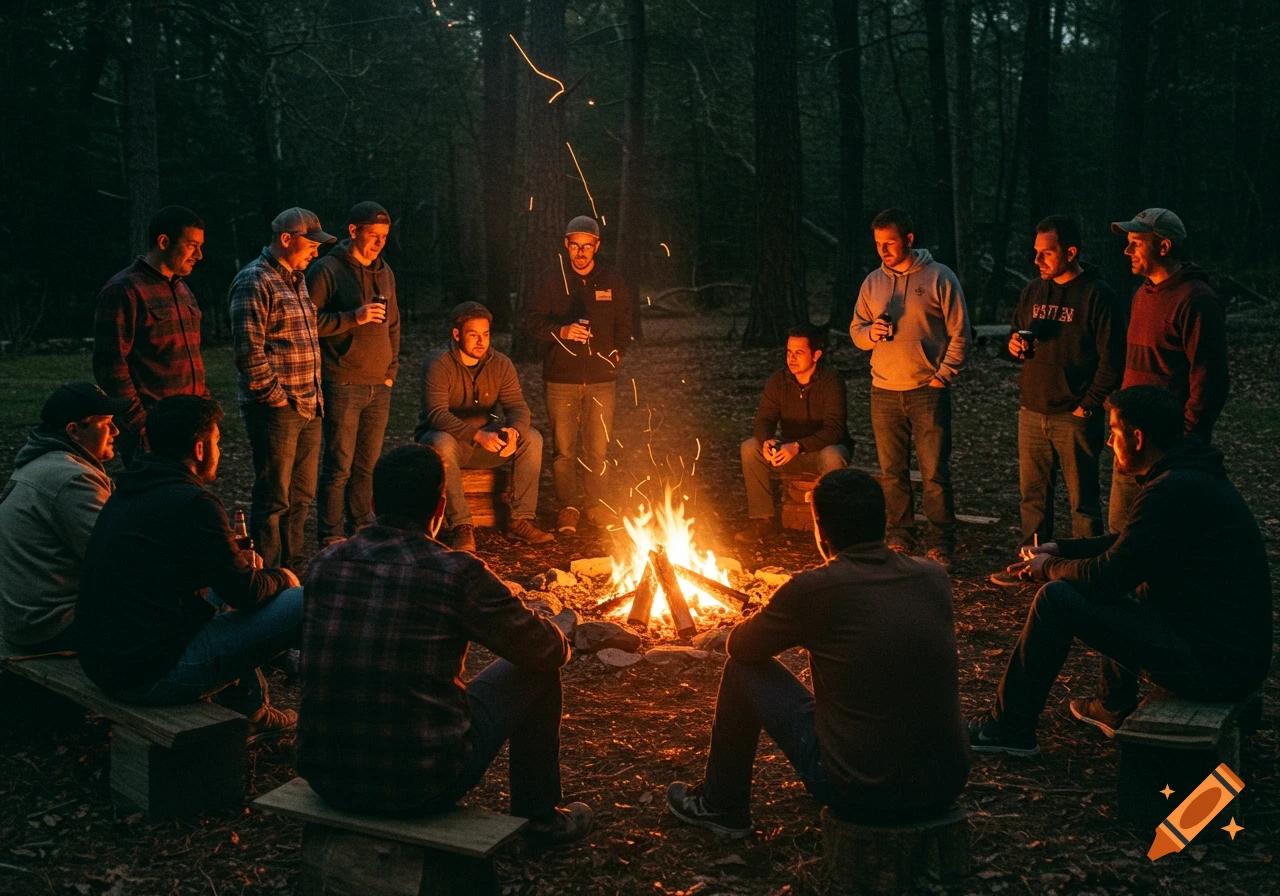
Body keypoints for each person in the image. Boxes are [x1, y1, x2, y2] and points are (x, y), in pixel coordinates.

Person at [297, 444, 592, 842]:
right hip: (422, 783)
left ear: (372, 503)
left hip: (326, 776)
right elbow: (549, 650)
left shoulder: (326, 563)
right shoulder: (455, 573)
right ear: (440, 508)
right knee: (539, 673)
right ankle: (540, 819)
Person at [969, 386, 1271, 756]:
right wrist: (1061, 549)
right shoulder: (1189, 474)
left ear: (1138, 438)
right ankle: (1111, 703)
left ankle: (1008, 728)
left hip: (1214, 667)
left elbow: (1107, 577)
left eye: (1114, 432)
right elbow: (1133, 544)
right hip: (1226, 653)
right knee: (1121, 587)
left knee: (1056, 599)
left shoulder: (1171, 488)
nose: (1109, 442)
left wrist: (1048, 568)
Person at [667, 468, 970, 838]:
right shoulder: (933, 575)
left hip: (860, 791)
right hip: (945, 782)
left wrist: (778, 606)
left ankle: (721, 805)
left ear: (821, 530)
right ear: (883, 519)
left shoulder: (814, 588)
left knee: (740, 671)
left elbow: (740, 646)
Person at [75, 396, 303, 738]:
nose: (219, 451)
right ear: (199, 449)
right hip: (151, 675)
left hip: (106, 663)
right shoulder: (195, 503)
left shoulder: (131, 488)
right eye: (217, 442)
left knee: (224, 592)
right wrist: (282, 577)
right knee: (303, 600)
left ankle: (249, 708)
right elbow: (246, 593)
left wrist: (228, 560)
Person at [991, 216, 1125, 586]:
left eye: (1046, 253)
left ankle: (1087, 573)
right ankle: (1029, 565)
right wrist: (1013, 346)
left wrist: (1088, 404)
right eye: (1036, 252)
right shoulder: (1034, 291)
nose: (1037, 260)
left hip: (1075, 414)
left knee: (1083, 501)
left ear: (1070, 252)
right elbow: (1016, 334)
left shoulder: (1097, 296)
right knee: (1033, 498)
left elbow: (1112, 360)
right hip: (1032, 410)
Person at [850, 208, 970, 569]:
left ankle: (940, 541)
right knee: (892, 472)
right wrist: (871, 334)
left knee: (934, 473)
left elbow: (961, 332)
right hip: (884, 390)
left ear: (909, 239)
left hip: (926, 389)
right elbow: (856, 331)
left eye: (890, 243)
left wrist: (943, 375)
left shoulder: (939, 277)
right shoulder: (873, 282)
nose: (883, 250)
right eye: (878, 244)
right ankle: (901, 535)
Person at [1107, 208, 1229, 532]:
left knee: (1163, 535)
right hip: (1130, 439)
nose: (1127, 250)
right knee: (1122, 532)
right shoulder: (1143, 294)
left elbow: (1210, 380)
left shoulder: (1196, 301)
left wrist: (1186, 438)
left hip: (1168, 449)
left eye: (1136, 243)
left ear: (1164, 246)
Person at [229, 207, 335, 567]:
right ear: (286, 239)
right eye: (311, 244)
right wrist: (276, 400)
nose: (315, 252)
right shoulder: (254, 281)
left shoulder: (297, 280)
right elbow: (248, 351)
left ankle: (292, 567)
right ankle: (268, 572)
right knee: (274, 498)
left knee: (301, 496)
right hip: (277, 409)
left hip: (309, 404)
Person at [414, 302, 553, 552]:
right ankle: (461, 526)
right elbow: (436, 414)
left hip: (483, 443)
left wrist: (514, 432)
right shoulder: (438, 364)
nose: (481, 342)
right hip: (445, 445)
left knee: (532, 437)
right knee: (441, 441)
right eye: (473, 334)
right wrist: (477, 435)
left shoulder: (500, 363)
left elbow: (517, 406)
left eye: (486, 334)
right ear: (457, 334)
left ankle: (520, 519)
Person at [524, 215, 633, 534]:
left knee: (598, 450)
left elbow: (625, 322)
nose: (581, 252)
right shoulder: (550, 279)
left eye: (587, 246)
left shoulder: (612, 279)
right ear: (566, 244)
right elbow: (532, 321)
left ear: (597, 246)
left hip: (602, 380)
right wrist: (562, 331)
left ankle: (597, 505)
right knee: (564, 451)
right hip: (561, 379)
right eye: (575, 246)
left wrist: (617, 352)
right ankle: (568, 506)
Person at [0, 383, 127, 652]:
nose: (116, 431)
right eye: (106, 423)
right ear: (74, 431)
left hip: (25, 621)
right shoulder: (72, 479)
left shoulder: (41, 465)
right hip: (55, 625)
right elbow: (116, 557)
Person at [307, 201, 401, 548]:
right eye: (373, 235)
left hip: (379, 383)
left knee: (368, 465)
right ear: (353, 231)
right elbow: (308, 322)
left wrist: (390, 371)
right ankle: (330, 533)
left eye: (384, 237)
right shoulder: (326, 270)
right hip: (343, 381)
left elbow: (394, 324)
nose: (379, 243)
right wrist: (353, 317)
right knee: (339, 465)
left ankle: (361, 526)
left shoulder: (385, 272)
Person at [93, 206, 212, 464]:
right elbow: (110, 366)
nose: (199, 255)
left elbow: (190, 358)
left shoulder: (183, 290)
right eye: (192, 246)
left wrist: (204, 411)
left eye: (200, 247)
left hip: (190, 423)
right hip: (153, 430)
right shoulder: (123, 290)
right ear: (164, 242)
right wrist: (140, 423)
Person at [735, 323, 852, 544]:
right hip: (789, 449)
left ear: (816, 355)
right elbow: (764, 419)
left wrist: (798, 446)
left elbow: (834, 430)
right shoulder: (779, 381)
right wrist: (767, 441)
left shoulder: (831, 382)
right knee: (750, 448)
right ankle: (763, 522)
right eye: (789, 352)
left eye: (799, 352)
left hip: (822, 449)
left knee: (833, 455)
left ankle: (832, 530)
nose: (791, 358)